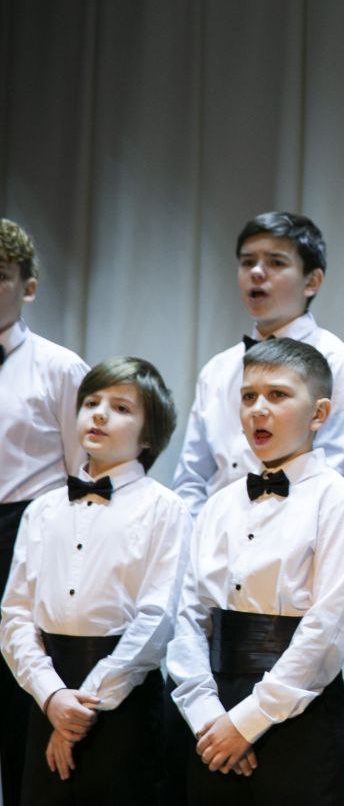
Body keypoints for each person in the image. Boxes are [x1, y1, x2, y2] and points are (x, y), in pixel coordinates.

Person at [167, 338, 344, 804]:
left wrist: (248, 722)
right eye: (249, 396)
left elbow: (326, 629)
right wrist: (209, 716)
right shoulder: (219, 504)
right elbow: (188, 617)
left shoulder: (339, 502)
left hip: (298, 711)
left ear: (319, 413)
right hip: (212, 711)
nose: (258, 409)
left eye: (278, 395)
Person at [1, 356, 186, 805]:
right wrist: (52, 697)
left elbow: (157, 618)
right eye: (91, 403)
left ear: (149, 434)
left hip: (124, 697)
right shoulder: (42, 510)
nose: (99, 414)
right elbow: (16, 614)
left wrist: (82, 708)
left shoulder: (165, 508)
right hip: (46, 692)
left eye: (120, 408)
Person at [171, 211, 344, 517]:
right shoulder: (217, 369)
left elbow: (338, 472)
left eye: (276, 262)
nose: (257, 272)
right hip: (218, 535)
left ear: (312, 281)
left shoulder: (336, 360)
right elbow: (191, 478)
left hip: (297, 534)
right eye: (248, 262)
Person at [0, 217, 89, 805]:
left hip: (26, 533)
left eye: (0, 275)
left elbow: (85, 473)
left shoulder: (59, 367)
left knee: (20, 700)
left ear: (27, 288)